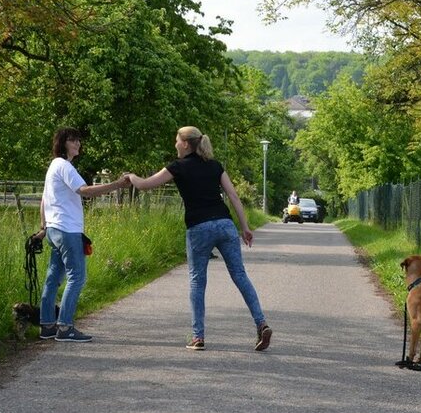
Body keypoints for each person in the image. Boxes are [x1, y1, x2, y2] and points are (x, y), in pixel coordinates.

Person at [128, 126, 272, 351]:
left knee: (197, 281)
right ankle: (261, 323)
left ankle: (198, 337)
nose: (175, 144)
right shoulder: (214, 166)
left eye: (177, 140)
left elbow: (145, 185)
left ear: (185, 143)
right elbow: (233, 196)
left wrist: (130, 176)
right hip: (225, 225)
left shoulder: (177, 167)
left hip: (199, 228)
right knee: (240, 275)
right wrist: (245, 227)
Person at [36, 127, 130, 342]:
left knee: (53, 278)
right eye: (72, 140)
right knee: (77, 277)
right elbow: (85, 191)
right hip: (68, 230)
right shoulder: (65, 166)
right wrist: (116, 184)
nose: (77, 144)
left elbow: (44, 199)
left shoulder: (53, 166)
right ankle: (65, 327)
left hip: (54, 229)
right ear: (62, 143)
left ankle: (47, 324)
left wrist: (44, 227)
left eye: (78, 140)